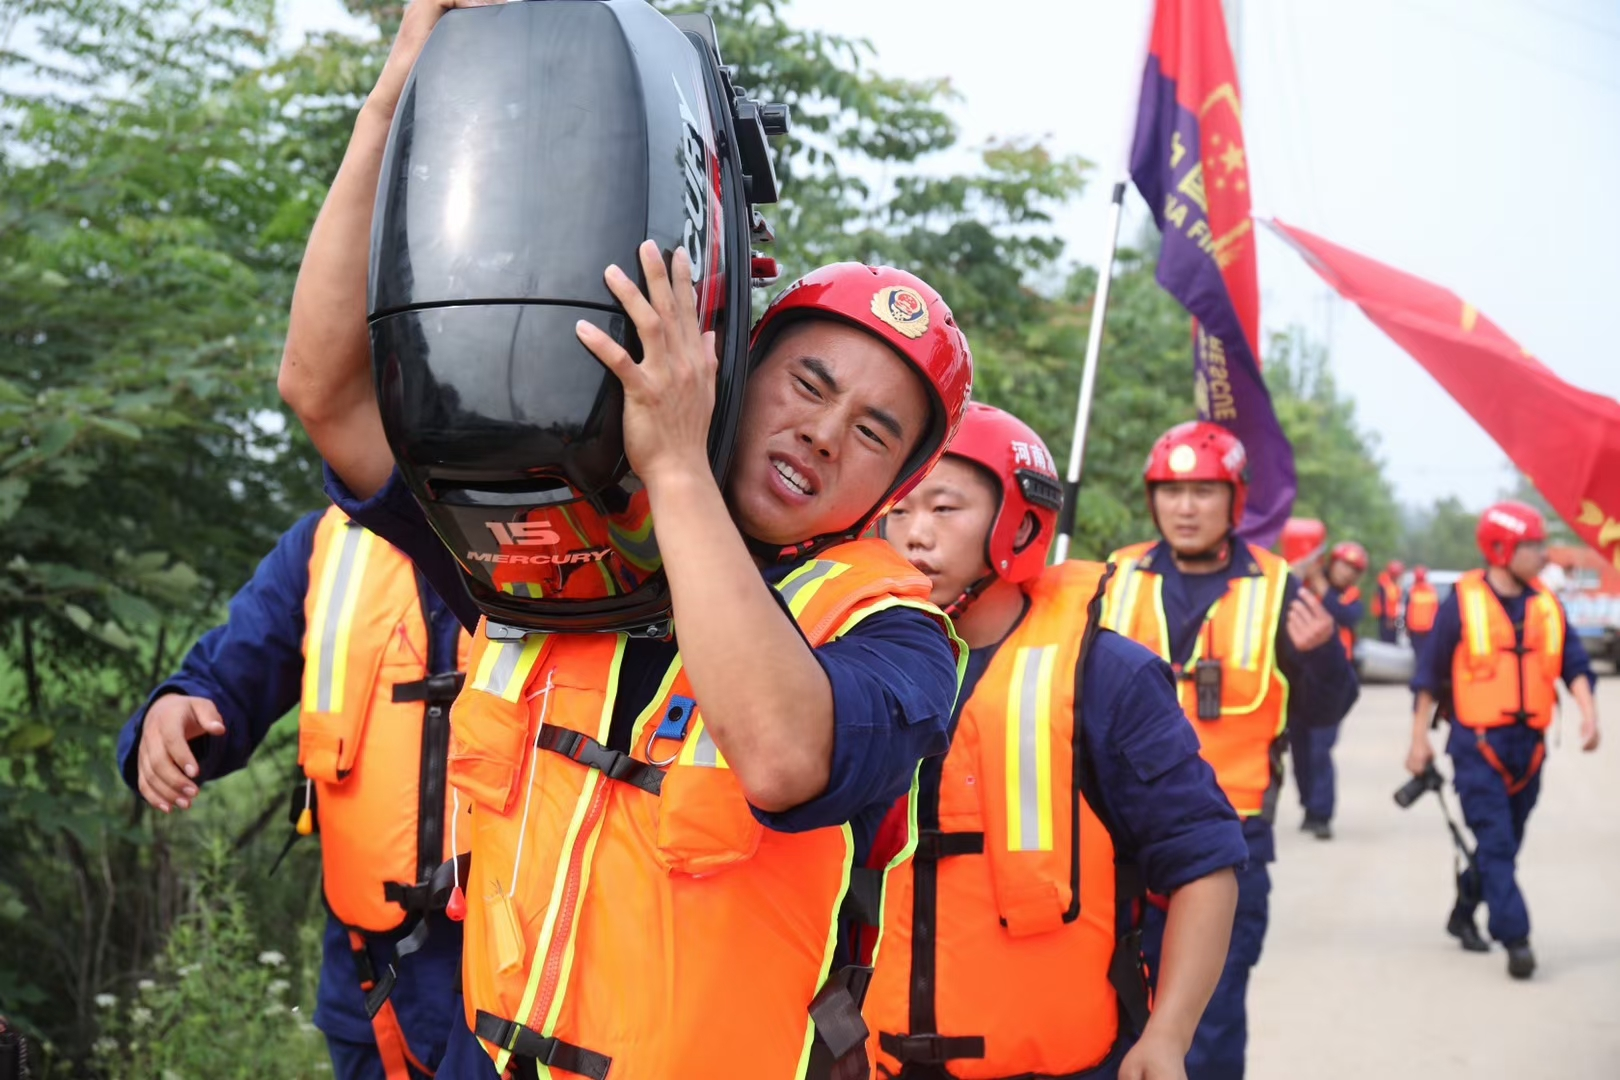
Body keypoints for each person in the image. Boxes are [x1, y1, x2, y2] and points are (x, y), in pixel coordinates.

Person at [277, 3, 974, 1075]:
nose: (823, 434)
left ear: (901, 483)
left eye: (873, 431)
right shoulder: (565, 545)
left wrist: (677, 461)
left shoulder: (899, 635)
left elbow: (787, 758)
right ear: (737, 362)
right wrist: (398, 92)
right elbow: (323, 391)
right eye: (809, 383)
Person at [868, 404, 1245, 1080]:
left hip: (1066, 1063)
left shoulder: (1107, 677)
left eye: (945, 508)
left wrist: (1169, 1035)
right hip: (865, 1060)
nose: (914, 536)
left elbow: (1202, 864)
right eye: (898, 510)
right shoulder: (838, 666)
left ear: (1018, 522)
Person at [118, 510, 471, 1079]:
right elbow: (223, 677)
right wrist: (170, 710)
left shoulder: (564, 534)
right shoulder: (323, 544)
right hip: (371, 984)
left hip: (518, 982)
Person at [1099, 421, 1359, 1080]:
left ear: (1235, 499)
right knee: (1104, 1024)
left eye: (1204, 492)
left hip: (1227, 851)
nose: (1186, 507)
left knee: (1207, 1035)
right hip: (1113, 850)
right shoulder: (1111, 579)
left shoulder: (1280, 589)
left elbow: (1325, 711)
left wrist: (1323, 654)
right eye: (1172, 490)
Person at [1406, 501, 1601, 979]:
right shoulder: (1462, 603)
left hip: (1529, 749)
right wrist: (1418, 741)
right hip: (1477, 747)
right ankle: (1516, 938)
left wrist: (1589, 714)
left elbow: (1575, 664)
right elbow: (1429, 676)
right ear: (1500, 549)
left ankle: (1461, 913)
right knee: (1495, 843)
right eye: (1533, 546)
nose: (1543, 554)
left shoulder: (1547, 604)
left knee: (1504, 846)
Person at [1288, 537, 1368, 840]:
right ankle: (1309, 806)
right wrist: (1301, 572)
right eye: (1343, 566)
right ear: (1331, 563)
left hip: (1331, 682)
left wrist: (1320, 583)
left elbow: (1343, 616)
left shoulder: (1349, 598)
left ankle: (1322, 814)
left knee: (1321, 749)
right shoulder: (1304, 588)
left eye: (1353, 570)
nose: (1347, 573)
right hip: (1298, 677)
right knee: (1300, 749)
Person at [1405, 565, 1439, 658]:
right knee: (1426, 654)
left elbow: (1407, 612)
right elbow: (1437, 610)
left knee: (1418, 655)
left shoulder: (1412, 591)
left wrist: (1407, 628)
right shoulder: (1432, 591)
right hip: (1428, 630)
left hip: (1415, 630)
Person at [1371, 560, 1405, 643]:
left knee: (1395, 639)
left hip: (1394, 618)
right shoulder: (1386, 586)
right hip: (1387, 619)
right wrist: (1388, 620)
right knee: (1387, 642)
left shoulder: (1394, 585)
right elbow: (1385, 603)